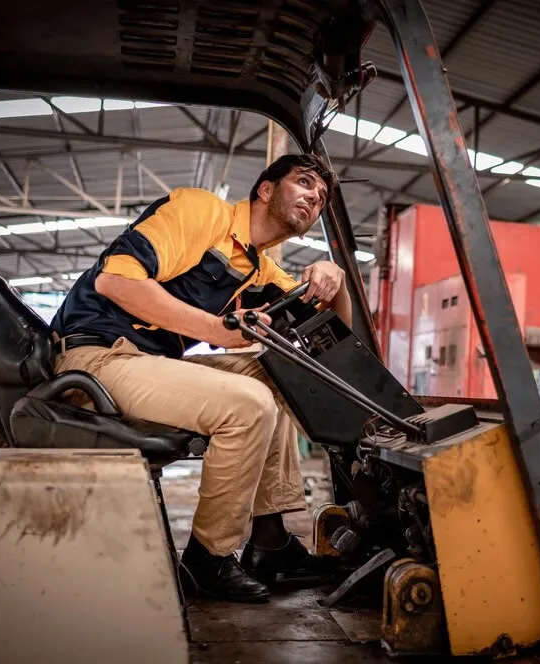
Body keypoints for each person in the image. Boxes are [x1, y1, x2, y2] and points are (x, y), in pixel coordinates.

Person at [50, 153, 348, 603]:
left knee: (278, 371)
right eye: (305, 182)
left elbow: (334, 339)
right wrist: (216, 331)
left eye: (321, 196)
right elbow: (115, 282)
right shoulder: (202, 211)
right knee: (248, 404)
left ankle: (270, 543)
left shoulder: (259, 269)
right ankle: (208, 558)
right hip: (96, 358)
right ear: (266, 189)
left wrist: (334, 279)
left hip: (147, 364)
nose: (314, 197)